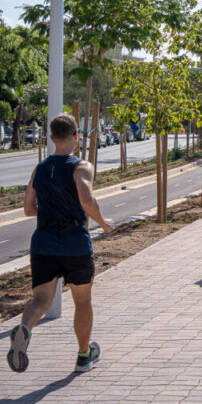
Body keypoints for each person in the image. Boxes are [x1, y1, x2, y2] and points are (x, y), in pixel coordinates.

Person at [7, 113, 115, 374]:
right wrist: (102, 222)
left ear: (52, 138)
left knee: (40, 299)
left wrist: (50, 210)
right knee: (82, 301)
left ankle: (25, 330)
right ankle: (83, 356)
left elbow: (28, 208)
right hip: (75, 243)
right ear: (77, 136)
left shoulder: (40, 169)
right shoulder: (81, 166)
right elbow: (87, 198)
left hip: (43, 242)